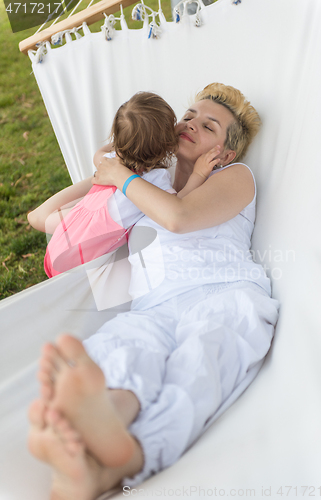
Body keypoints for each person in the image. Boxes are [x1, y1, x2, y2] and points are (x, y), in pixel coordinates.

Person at [28, 83, 280, 500]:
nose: (190, 125)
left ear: (226, 151)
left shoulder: (235, 177)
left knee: (198, 365)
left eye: (209, 126)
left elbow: (178, 217)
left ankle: (123, 461)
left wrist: (121, 177)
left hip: (222, 296)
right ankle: (98, 423)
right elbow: (50, 215)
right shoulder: (147, 182)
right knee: (125, 348)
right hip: (154, 309)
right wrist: (102, 172)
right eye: (188, 116)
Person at [27, 92, 179, 277]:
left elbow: (98, 153)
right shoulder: (155, 179)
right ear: (167, 144)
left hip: (58, 247)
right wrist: (198, 174)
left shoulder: (109, 161)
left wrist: (120, 144)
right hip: (77, 265)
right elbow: (176, 203)